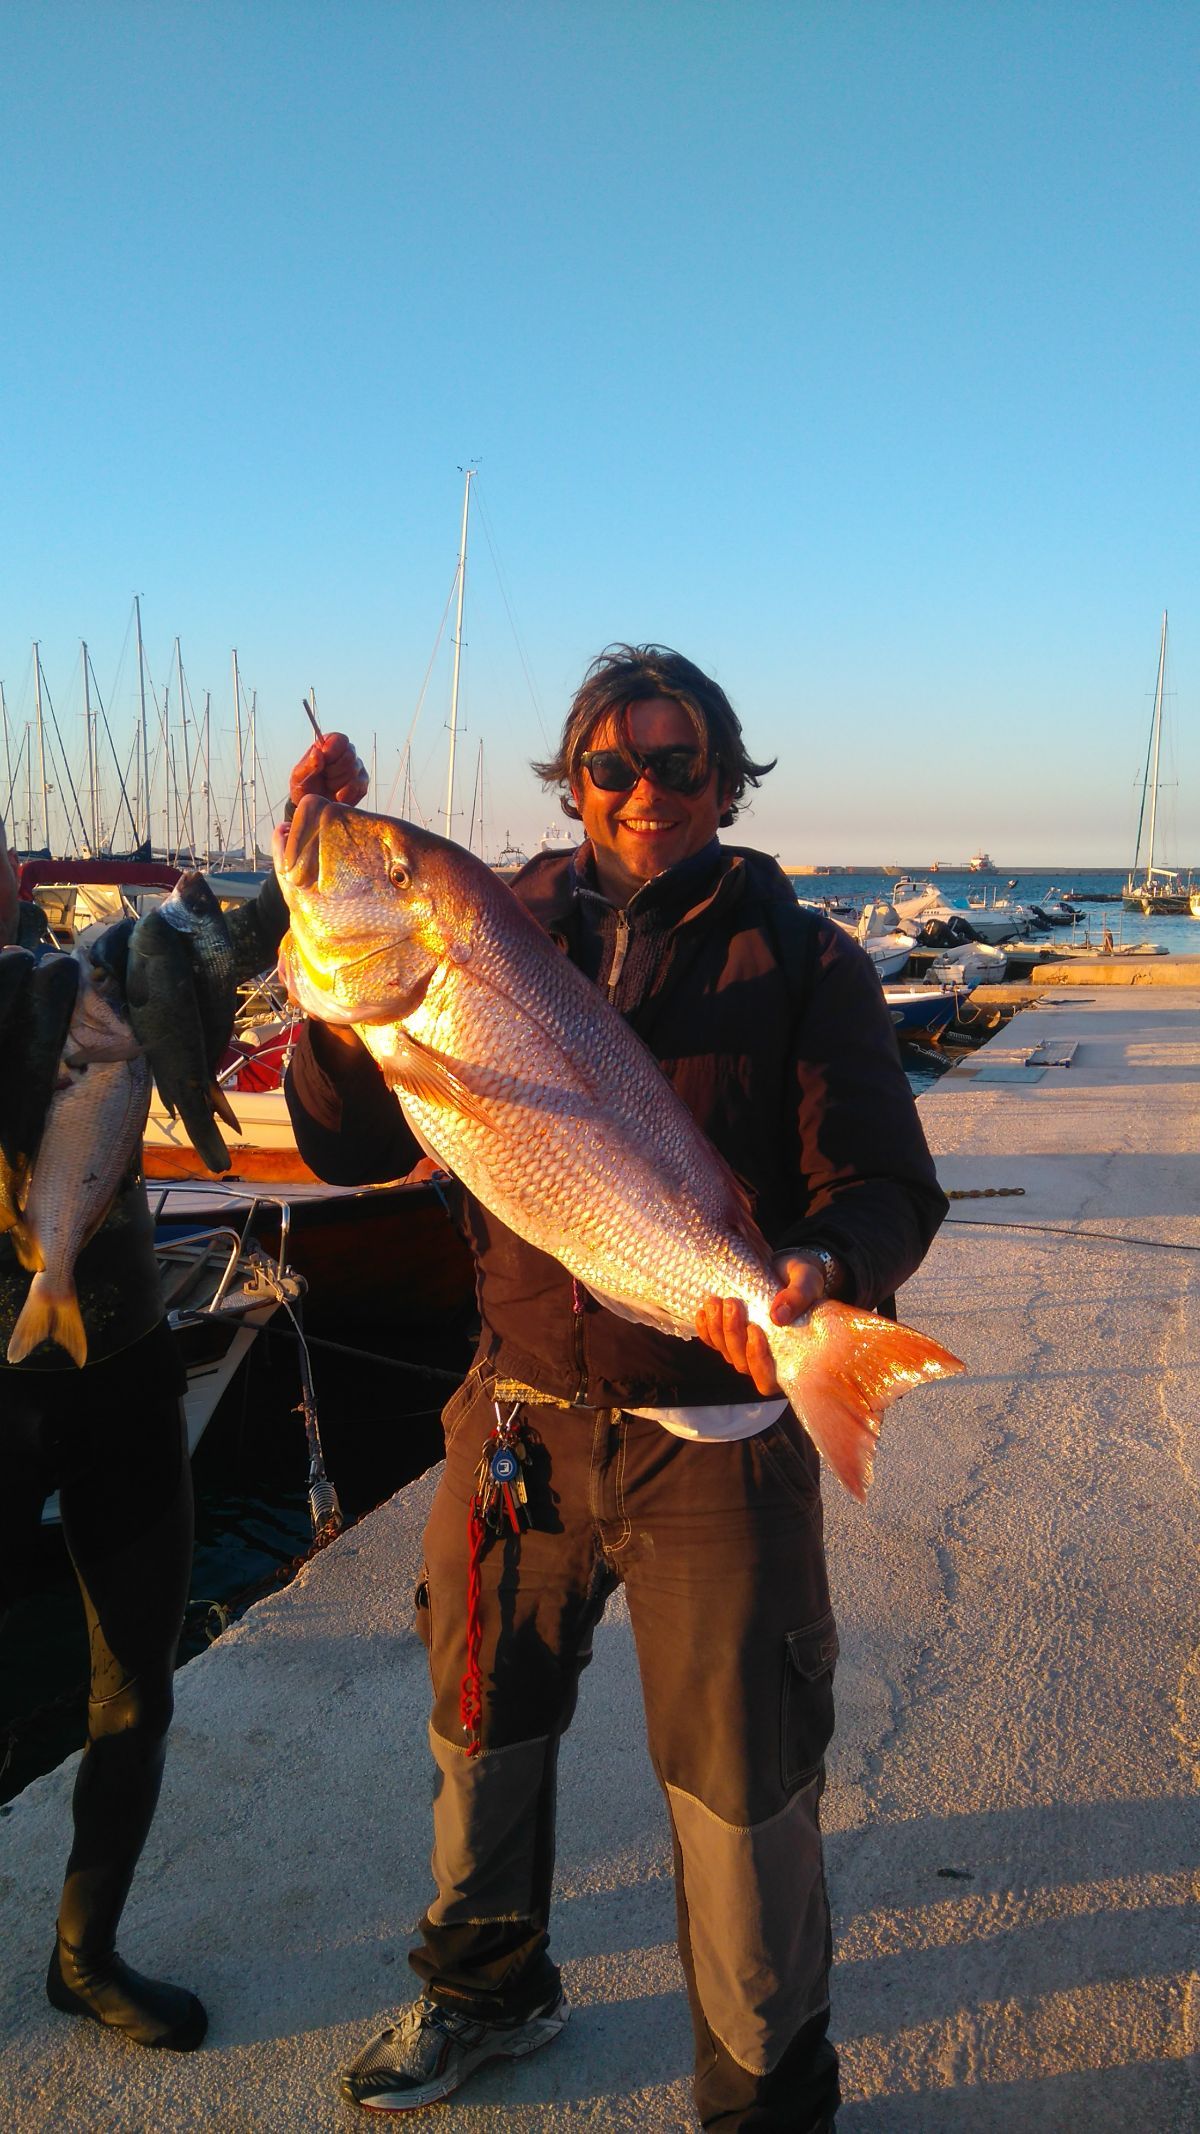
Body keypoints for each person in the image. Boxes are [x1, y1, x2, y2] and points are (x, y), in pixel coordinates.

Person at [284, 647, 947, 2130]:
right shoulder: (494, 930)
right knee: (481, 1725)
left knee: (743, 1785)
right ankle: (487, 1989)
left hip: (719, 1434)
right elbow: (341, 1146)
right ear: (575, 780)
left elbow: (891, 1188)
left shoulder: (807, 958)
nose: (648, 791)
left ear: (727, 779)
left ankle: (764, 2096)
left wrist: (821, 1270)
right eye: (614, 765)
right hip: (517, 1418)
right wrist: (333, 990)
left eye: (681, 762)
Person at [0, 732, 364, 2053]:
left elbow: (221, 945)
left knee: (136, 1687)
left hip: (127, 1377)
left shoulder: (72, 979)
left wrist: (306, 827)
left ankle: (85, 1952)